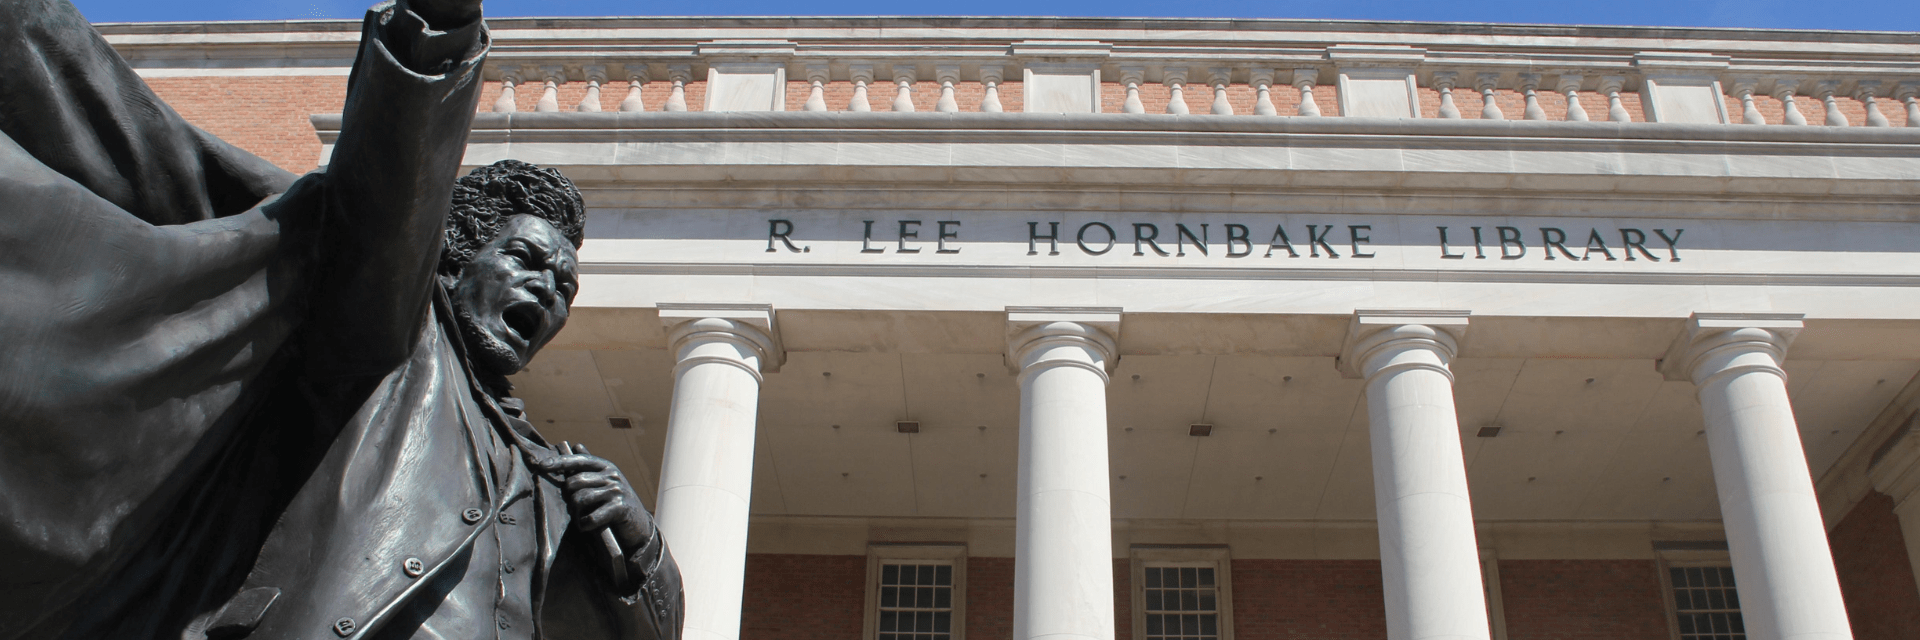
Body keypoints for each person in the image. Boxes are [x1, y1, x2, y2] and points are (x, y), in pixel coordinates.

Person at [0, 0, 681, 637]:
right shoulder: (392, 341)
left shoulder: (550, 478)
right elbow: (392, 187)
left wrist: (640, 543)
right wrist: (437, 26)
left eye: (565, 285)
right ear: (452, 253)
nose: (550, 291)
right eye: (528, 259)